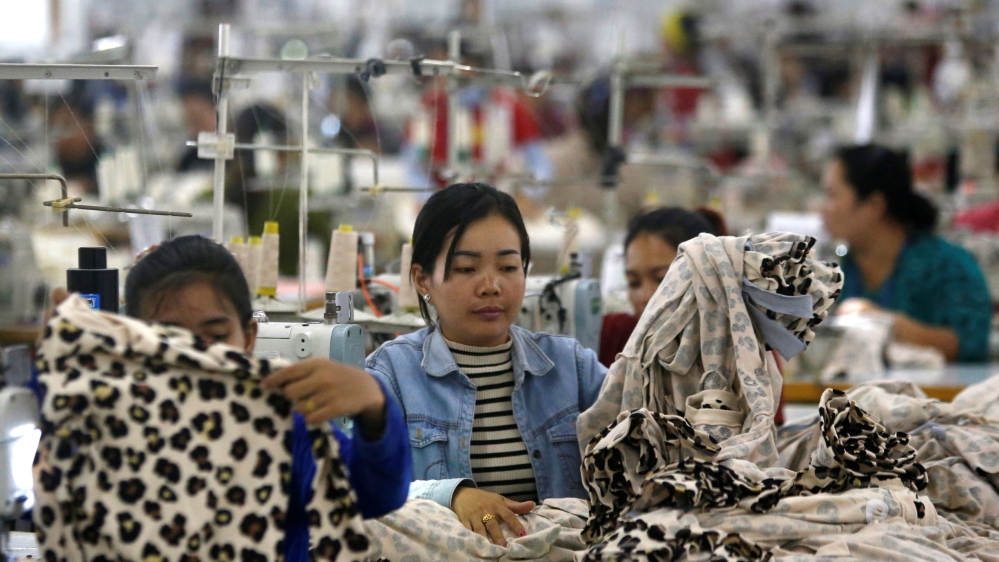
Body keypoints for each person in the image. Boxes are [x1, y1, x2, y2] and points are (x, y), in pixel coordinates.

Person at [47, 235, 411, 560]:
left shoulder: (285, 431)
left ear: (249, 337)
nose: (196, 358)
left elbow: (375, 495)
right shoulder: (109, 429)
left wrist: (374, 406)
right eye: (170, 339)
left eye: (216, 335)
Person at [365, 183, 607, 546]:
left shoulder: (572, 368)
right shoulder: (392, 375)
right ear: (422, 279)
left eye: (509, 266)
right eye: (466, 268)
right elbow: (361, 484)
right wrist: (453, 495)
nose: (492, 285)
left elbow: (640, 446)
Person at [821, 144, 992, 362]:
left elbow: (971, 344)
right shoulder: (841, 268)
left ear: (874, 205)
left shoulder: (947, 267)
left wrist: (886, 325)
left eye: (832, 195)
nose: (823, 208)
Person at [599, 206, 725, 368]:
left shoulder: (741, 357)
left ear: (706, 277)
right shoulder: (612, 338)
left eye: (661, 280)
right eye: (634, 283)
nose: (644, 296)